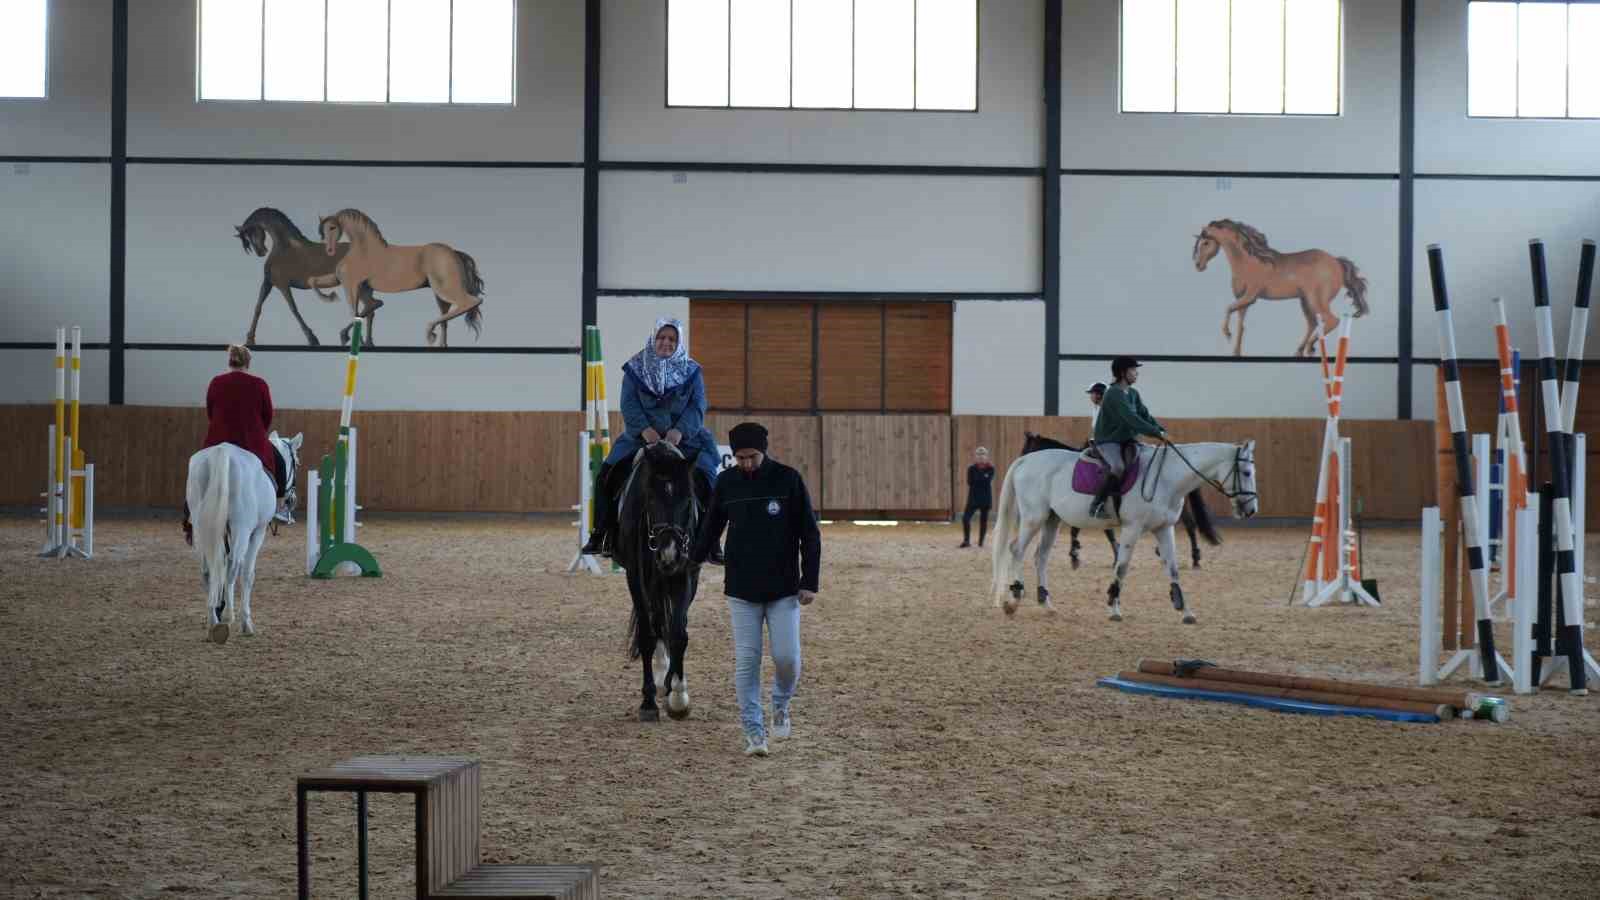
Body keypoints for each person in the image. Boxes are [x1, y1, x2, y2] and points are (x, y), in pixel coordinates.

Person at [690, 422, 822, 758]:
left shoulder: (788, 479)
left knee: (786, 658)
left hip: (784, 588)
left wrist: (810, 581)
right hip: (741, 587)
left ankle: (780, 702)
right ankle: (753, 731)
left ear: (763, 450)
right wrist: (689, 561)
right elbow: (710, 528)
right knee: (747, 661)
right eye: (740, 458)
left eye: (752, 457)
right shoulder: (727, 482)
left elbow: (809, 533)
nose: (746, 463)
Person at [582, 318, 722, 561]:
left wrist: (679, 432)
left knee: (708, 479)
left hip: (686, 439)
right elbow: (629, 404)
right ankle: (602, 533)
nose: (665, 343)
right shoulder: (634, 369)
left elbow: (698, 406)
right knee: (607, 474)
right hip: (640, 439)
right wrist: (645, 431)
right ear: (653, 338)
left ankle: (711, 542)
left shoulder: (693, 372)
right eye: (661, 337)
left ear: (678, 343)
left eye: (671, 339)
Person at [183, 344, 287, 544]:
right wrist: (258, 432)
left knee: (196, 468)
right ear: (248, 362)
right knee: (280, 462)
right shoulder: (259, 384)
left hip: (218, 438)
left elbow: (210, 411)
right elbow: (267, 415)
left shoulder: (216, 382)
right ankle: (280, 505)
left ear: (229, 361)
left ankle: (189, 511)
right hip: (250, 441)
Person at [1089, 357, 1165, 520]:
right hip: (1109, 440)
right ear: (1123, 373)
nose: (1136, 373)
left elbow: (1145, 415)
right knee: (1117, 467)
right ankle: (1097, 504)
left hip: (1128, 440)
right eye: (1133, 370)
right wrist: (1157, 434)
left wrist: (1161, 430)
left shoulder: (1133, 393)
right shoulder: (1114, 393)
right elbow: (1132, 419)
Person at [959, 446, 995, 548]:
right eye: (978, 455)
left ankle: (981, 542)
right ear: (975, 456)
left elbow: (987, 481)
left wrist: (979, 478)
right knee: (965, 518)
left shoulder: (991, 468)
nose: (981, 457)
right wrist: (983, 477)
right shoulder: (971, 468)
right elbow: (970, 482)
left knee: (983, 521)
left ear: (986, 456)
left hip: (985, 498)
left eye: (983, 454)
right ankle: (966, 541)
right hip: (973, 498)